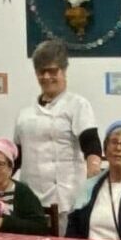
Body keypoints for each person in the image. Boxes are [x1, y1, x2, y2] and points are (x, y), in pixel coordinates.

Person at [13, 40, 102, 230]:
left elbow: (91, 145)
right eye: (41, 71)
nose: (47, 77)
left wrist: (92, 184)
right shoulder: (25, 114)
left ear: (63, 72)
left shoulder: (77, 105)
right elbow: (16, 157)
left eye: (53, 71)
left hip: (66, 198)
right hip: (31, 199)